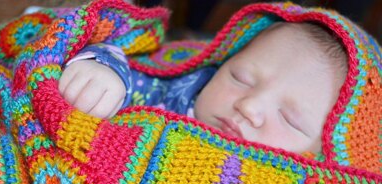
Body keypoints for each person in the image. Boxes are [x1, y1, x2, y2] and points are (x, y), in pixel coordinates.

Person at [59, 21, 347, 155]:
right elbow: (132, 66)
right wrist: (103, 72)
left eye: (289, 118)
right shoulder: (172, 97)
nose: (249, 106)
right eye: (240, 77)